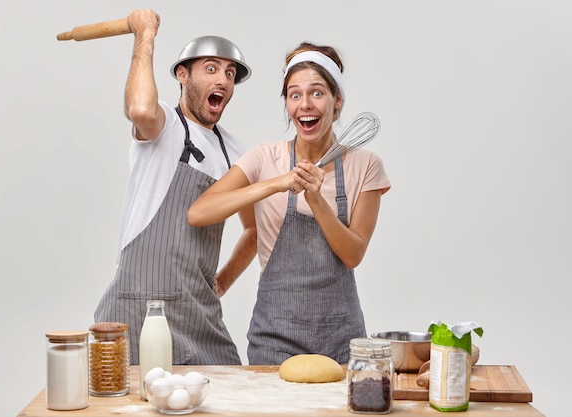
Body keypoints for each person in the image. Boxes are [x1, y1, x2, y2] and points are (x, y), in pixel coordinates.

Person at [187, 41, 391, 365]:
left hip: (342, 342)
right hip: (273, 343)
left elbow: (353, 254)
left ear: (337, 101)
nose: (305, 105)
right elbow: (199, 212)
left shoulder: (365, 165)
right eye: (294, 95)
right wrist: (277, 183)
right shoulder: (265, 158)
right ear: (286, 103)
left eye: (317, 93)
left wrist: (317, 200)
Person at [93, 9, 257, 366]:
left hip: (199, 312)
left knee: (230, 395)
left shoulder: (236, 152)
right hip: (139, 308)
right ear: (183, 75)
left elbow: (254, 229)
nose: (224, 80)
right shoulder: (165, 126)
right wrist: (144, 35)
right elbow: (139, 109)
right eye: (211, 69)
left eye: (230, 73)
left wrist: (222, 282)